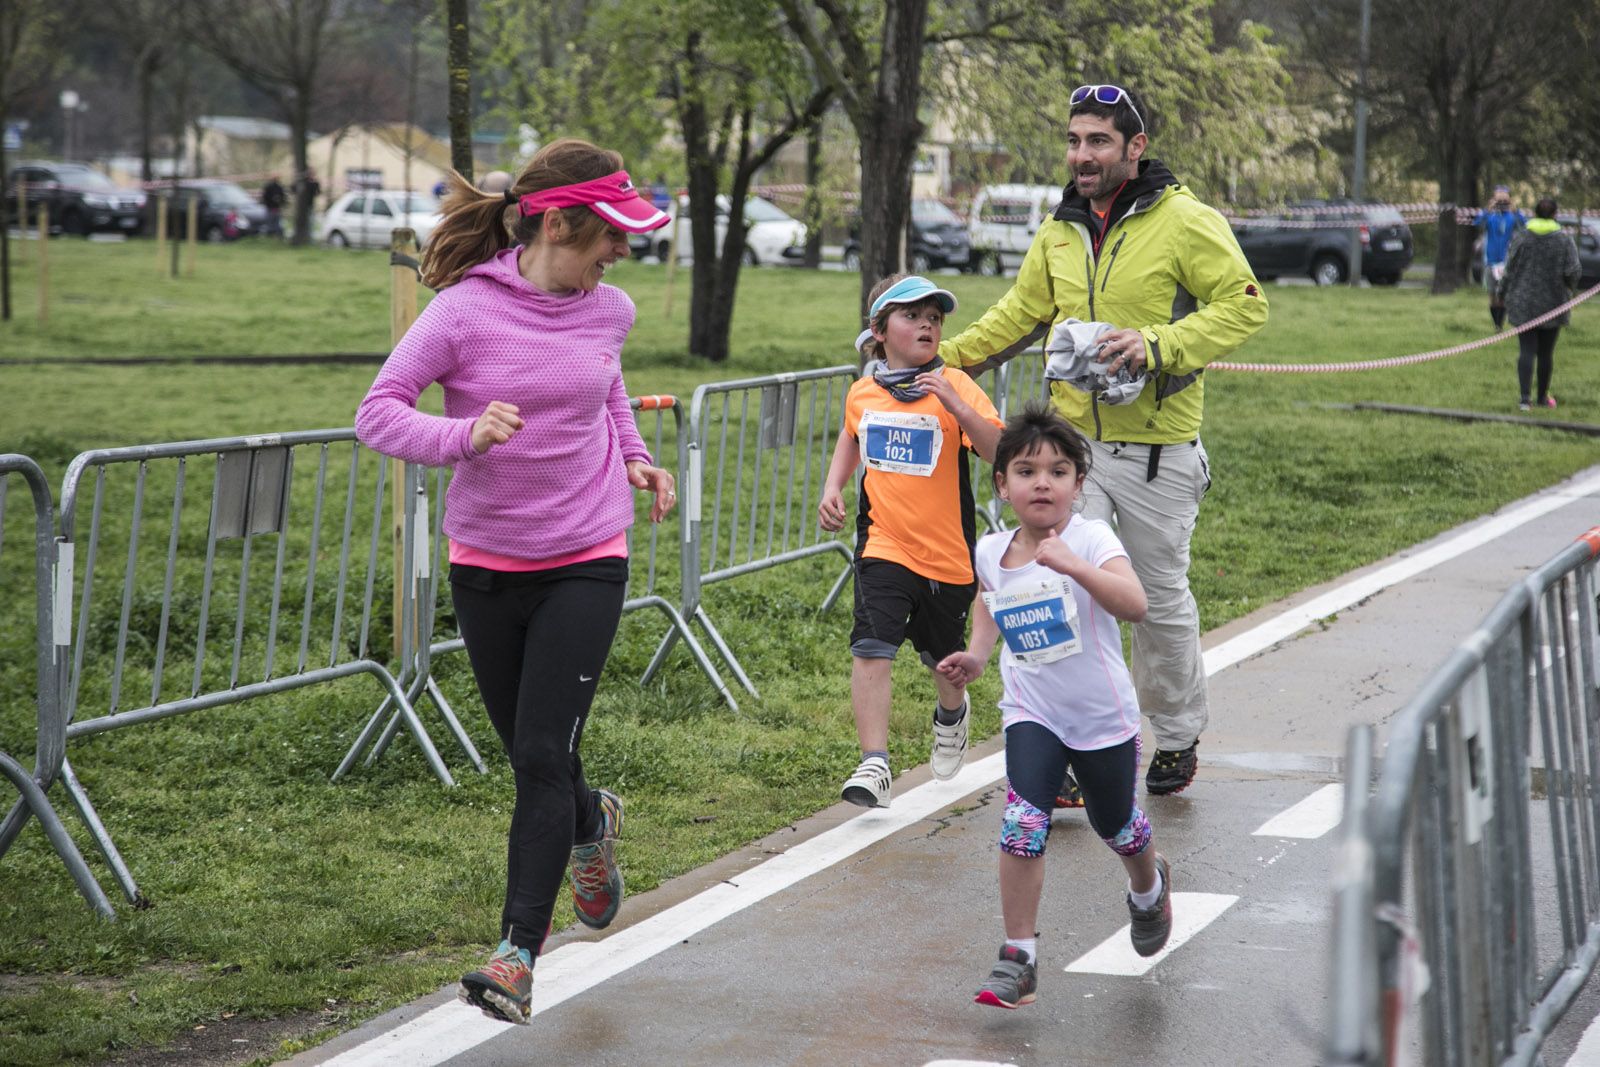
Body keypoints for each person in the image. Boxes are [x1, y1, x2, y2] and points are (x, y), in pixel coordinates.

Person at [354, 139, 674, 1026]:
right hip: (487, 566)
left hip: (586, 554)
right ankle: (589, 824)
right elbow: (376, 413)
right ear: (562, 222)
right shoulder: (462, 312)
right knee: (541, 757)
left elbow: (605, 389)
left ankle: (516, 955)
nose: (621, 251)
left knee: (538, 756)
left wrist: (639, 458)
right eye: (611, 233)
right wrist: (462, 438)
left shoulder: (610, 310)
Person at [940, 83, 1267, 801]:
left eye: (1098, 142)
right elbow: (1018, 315)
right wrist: (938, 361)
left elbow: (1244, 306)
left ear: (1135, 147)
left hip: (1158, 454)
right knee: (1052, 588)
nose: (1081, 156)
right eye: (1074, 140)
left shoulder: (1186, 220)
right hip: (1070, 451)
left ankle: (1177, 734)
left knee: (1154, 600)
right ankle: (1058, 747)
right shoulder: (1060, 229)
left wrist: (1155, 344)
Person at [937, 403, 1169, 1008]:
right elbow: (991, 600)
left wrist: (1073, 565)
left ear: (1078, 485)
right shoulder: (991, 549)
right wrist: (978, 655)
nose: (1043, 481)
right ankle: (1020, 956)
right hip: (1031, 710)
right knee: (1023, 824)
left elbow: (1135, 604)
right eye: (1026, 470)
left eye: (1059, 471)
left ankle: (1148, 887)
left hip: (1101, 717)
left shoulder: (1091, 538)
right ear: (1003, 483)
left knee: (1115, 824)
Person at [818, 274, 1005, 808]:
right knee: (871, 646)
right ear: (879, 331)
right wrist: (833, 486)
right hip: (884, 544)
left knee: (944, 661)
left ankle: (952, 714)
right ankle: (874, 763)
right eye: (911, 315)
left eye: (935, 317)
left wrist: (956, 403)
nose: (927, 324)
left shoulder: (956, 385)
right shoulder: (864, 391)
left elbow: (998, 451)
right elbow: (852, 433)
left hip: (946, 557)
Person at [1499, 196, 1580, 412]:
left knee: (1526, 349)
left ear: (1534, 213)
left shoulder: (1522, 237)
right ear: (1555, 215)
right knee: (1546, 353)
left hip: (1522, 303)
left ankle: (1525, 399)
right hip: (1553, 304)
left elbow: (1509, 268)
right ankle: (1542, 397)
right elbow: (1573, 270)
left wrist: (1501, 292)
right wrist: (1569, 288)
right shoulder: (1564, 240)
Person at [1477, 186, 1527, 330]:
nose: (1501, 203)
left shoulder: (1513, 216)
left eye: (1504, 200)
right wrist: (1488, 209)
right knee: (1492, 294)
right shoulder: (1490, 216)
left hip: (1507, 261)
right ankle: (1496, 325)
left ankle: (1501, 323)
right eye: (1498, 199)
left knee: (1503, 294)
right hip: (1491, 260)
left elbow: (1524, 227)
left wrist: (1515, 209)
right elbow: (1478, 224)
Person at [260, 175, 286, 239]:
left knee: (273, 223)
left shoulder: (277, 187)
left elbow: (264, 197)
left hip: (273, 208)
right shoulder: (273, 187)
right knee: (274, 223)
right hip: (272, 208)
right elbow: (265, 197)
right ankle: (272, 235)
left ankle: (274, 235)